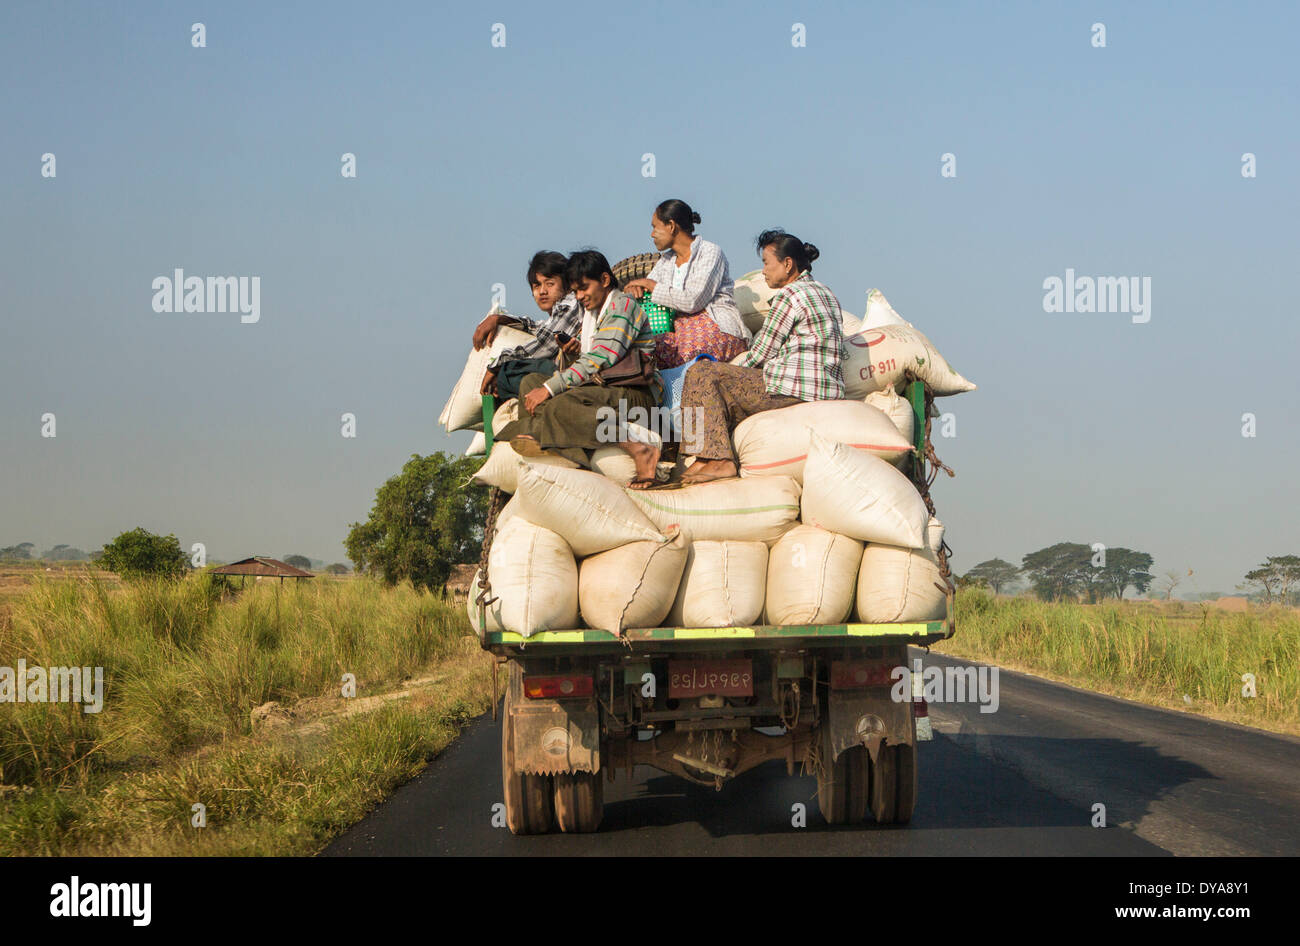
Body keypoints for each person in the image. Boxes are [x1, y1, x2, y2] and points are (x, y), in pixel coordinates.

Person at [678, 229, 845, 484]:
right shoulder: (826, 292)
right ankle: (705, 458)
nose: (764, 271)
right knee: (723, 396)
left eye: (767, 263)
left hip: (792, 390)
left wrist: (728, 366)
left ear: (787, 264)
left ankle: (715, 460)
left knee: (701, 373)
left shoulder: (790, 296)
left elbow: (760, 355)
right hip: (823, 391)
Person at [495, 250, 667, 488]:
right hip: (602, 389)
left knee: (559, 404)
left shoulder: (623, 305)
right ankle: (546, 439)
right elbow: (588, 360)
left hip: (636, 395)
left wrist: (551, 387)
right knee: (529, 382)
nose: (580, 296)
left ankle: (639, 448)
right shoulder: (592, 315)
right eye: (575, 291)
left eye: (584, 288)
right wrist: (570, 357)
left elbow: (601, 358)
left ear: (605, 280)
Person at [622, 199, 751, 369]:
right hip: (680, 329)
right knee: (642, 351)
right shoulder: (665, 262)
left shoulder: (710, 252)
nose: (652, 234)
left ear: (671, 226)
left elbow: (693, 301)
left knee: (685, 355)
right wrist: (635, 288)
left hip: (715, 325)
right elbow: (647, 290)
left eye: (655, 227)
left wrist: (650, 284)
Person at [471, 251, 583, 400]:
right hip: (564, 372)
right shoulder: (557, 314)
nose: (542, 291)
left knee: (508, 371)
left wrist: (496, 365)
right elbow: (535, 327)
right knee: (508, 376)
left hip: (572, 372)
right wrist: (499, 319)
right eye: (536, 286)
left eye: (550, 284)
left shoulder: (571, 304)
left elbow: (544, 344)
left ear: (567, 285)